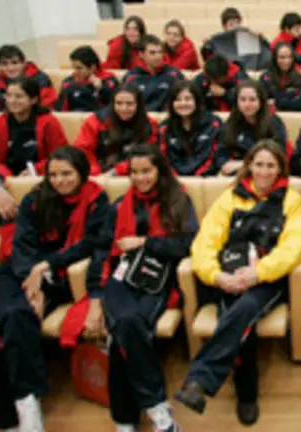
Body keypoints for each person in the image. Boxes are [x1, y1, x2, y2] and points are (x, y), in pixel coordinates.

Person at [174, 141, 301, 426]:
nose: (264, 171)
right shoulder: (229, 198)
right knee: (238, 315)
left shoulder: (292, 201)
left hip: (266, 280)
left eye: (270, 165)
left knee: (242, 308)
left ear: (280, 169)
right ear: (248, 166)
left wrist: (259, 273)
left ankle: (207, 382)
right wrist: (216, 275)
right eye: (258, 164)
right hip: (229, 277)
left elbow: (293, 248)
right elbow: (205, 243)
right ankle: (232, 390)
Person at [0, 146, 109, 432]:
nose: (60, 181)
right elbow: (22, 244)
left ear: (81, 173)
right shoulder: (35, 198)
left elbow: (89, 245)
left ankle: (27, 404)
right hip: (20, 272)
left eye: (67, 174)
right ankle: (10, 414)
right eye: (54, 175)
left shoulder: (97, 199)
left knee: (15, 315)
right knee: (9, 313)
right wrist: (30, 280)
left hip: (59, 275)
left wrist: (43, 269)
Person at [95, 145, 196, 432]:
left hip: (157, 277)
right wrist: (93, 295)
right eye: (134, 172)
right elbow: (103, 249)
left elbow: (188, 244)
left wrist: (145, 243)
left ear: (159, 170)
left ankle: (125, 420)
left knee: (123, 333)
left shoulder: (178, 199)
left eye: (146, 171)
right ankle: (157, 408)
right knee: (127, 326)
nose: (140, 178)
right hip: (120, 277)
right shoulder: (120, 205)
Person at [73, 82, 160, 176]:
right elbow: (82, 151)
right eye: (119, 103)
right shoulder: (96, 121)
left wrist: (118, 170)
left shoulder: (150, 124)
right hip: (100, 174)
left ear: (138, 105)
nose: (124, 108)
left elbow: (150, 156)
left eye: (129, 104)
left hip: (138, 174)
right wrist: (97, 174)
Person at [215, 80, 291, 177]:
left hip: (267, 174)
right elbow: (221, 157)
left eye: (252, 100)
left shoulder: (274, 123)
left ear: (261, 101)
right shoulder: (230, 124)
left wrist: (245, 164)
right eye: (242, 99)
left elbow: (279, 155)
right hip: (238, 175)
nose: (247, 104)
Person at [0, 77, 68, 176]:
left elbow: (60, 155)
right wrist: (7, 176)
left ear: (33, 99)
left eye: (19, 96)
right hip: (5, 177)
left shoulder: (48, 122)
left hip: (40, 175)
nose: (12, 101)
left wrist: (35, 170)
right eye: (9, 96)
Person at [159, 81, 222, 176]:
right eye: (177, 100)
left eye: (188, 99)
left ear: (197, 101)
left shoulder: (214, 124)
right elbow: (162, 159)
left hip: (206, 178)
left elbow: (217, 157)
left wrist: (196, 178)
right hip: (174, 180)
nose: (183, 103)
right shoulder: (164, 127)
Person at [122, 35, 185, 112]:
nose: (158, 56)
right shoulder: (132, 76)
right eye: (152, 53)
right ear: (141, 54)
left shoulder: (173, 74)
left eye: (160, 52)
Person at [56, 45, 119, 112]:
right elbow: (60, 110)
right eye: (74, 68)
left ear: (92, 67)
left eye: (79, 68)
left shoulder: (109, 80)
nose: (76, 72)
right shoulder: (68, 82)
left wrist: (101, 89)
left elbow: (115, 106)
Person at [0, 45, 57, 111]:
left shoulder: (40, 79)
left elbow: (47, 105)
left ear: (24, 63)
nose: (10, 68)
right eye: (4, 64)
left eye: (15, 63)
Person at [259, 43, 301, 112]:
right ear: (275, 58)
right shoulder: (265, 77)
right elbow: (261, 101)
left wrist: (275, 102)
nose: (287, 61)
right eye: (282, 57)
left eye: (289, 57)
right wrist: (291, 100)